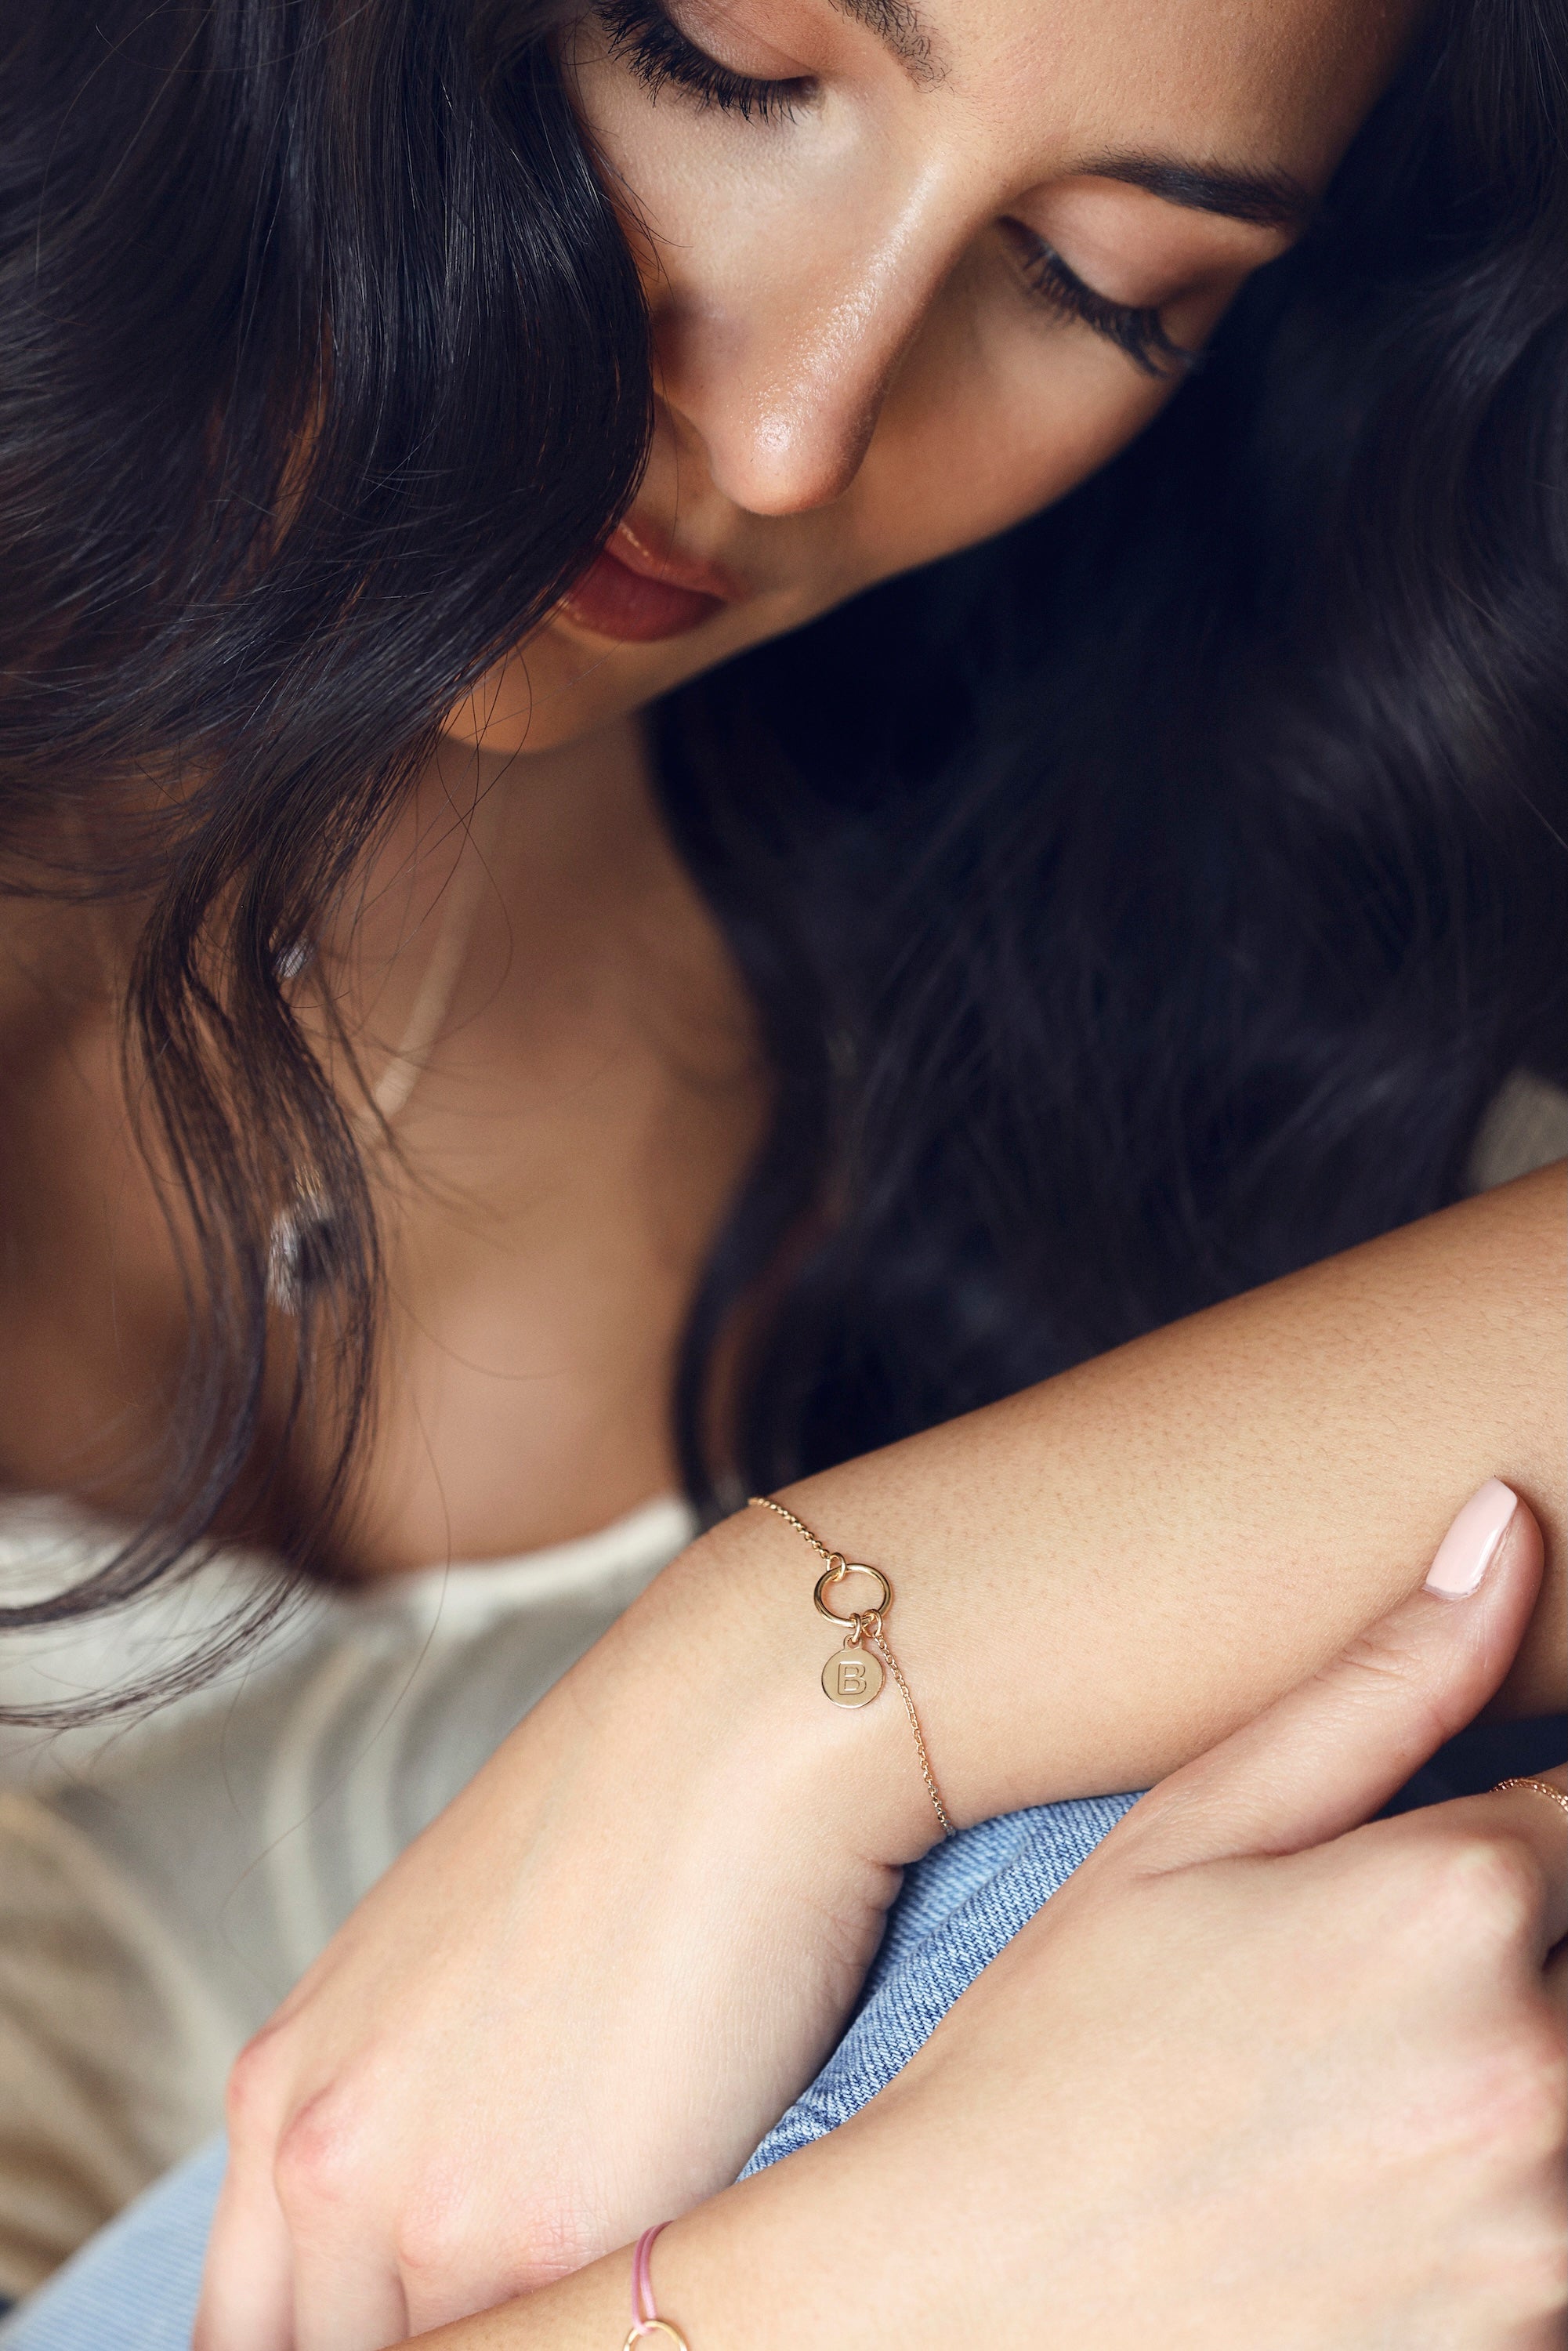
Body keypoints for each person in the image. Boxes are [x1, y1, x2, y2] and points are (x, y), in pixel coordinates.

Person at [0, 0, 1563, 2339]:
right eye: (718, 63)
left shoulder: (1162, 846)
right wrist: (904, 2277)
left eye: (1104, 284)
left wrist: (788, 1695)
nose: (794, 426)